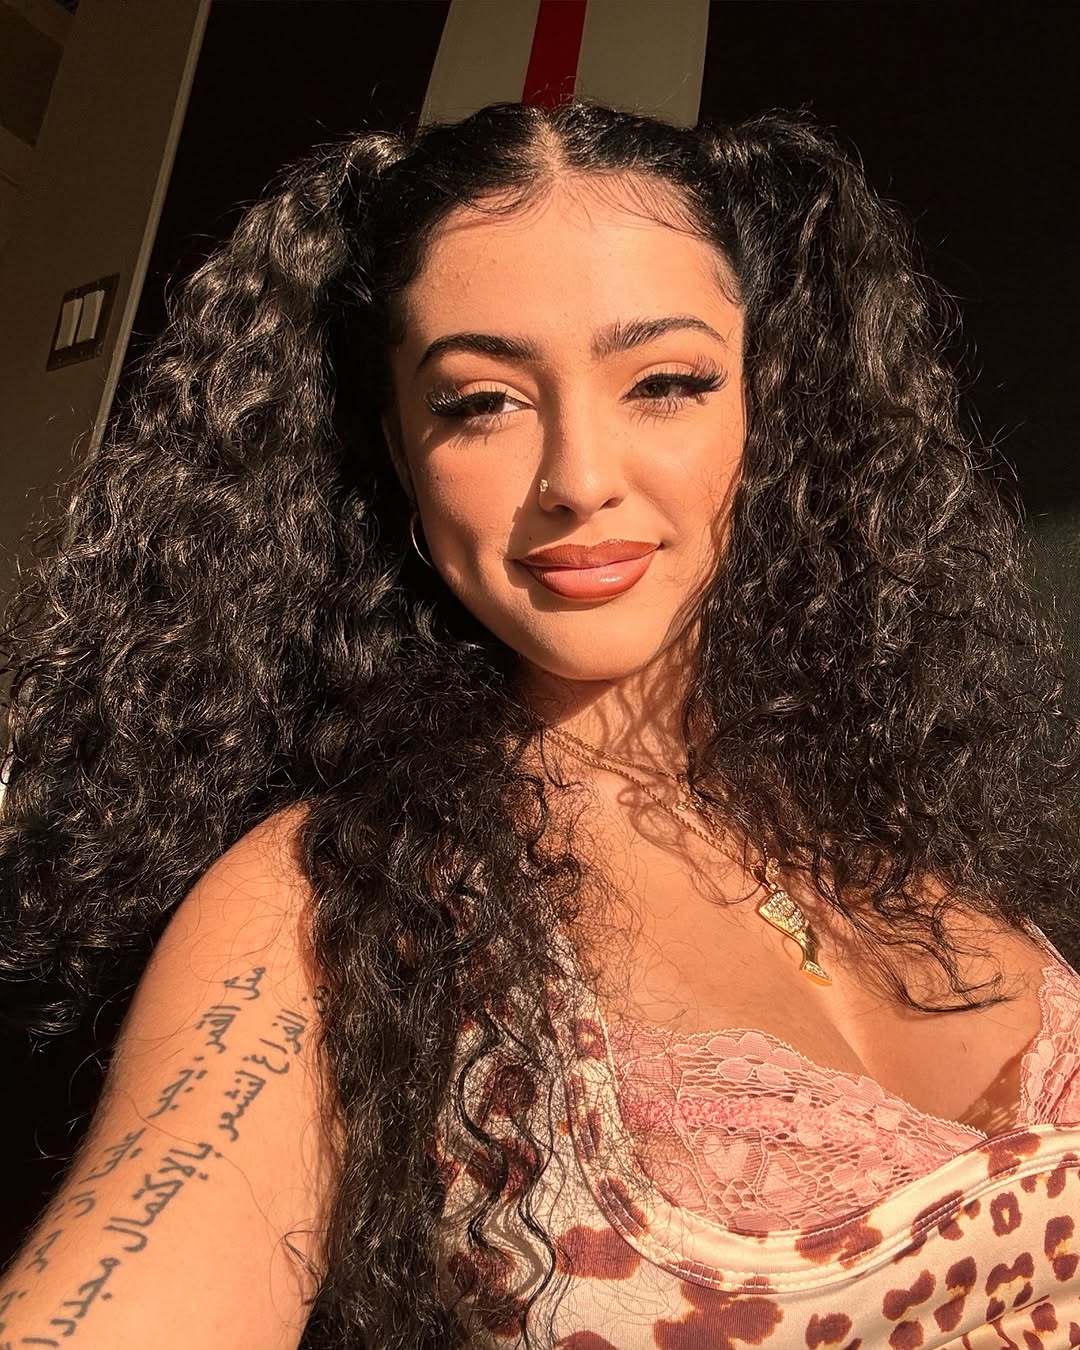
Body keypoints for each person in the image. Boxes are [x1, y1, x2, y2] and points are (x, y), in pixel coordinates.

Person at [0, 97, 1078, 1350]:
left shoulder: (929, 808)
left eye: (666, 382)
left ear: (762, 408)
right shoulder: (336, 900)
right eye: (481, 402)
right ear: (401, 452)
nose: (579, 478)